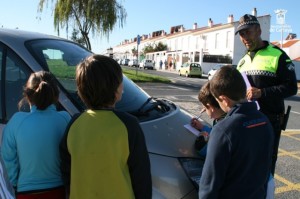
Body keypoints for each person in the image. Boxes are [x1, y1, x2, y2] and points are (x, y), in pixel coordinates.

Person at [60, 54, 152, 199]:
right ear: (115, 89)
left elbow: (66, 172)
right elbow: (142, 178)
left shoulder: (74, 124)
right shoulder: (129, 125)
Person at [235, 14, 298, 175]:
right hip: (245, 120)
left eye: (248, 32)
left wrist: (262, 93)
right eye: (242, 34)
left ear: (259, 30)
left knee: (265, 166)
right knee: (247, 164)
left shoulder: (278, 55)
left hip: (269, 121)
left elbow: (291, 88)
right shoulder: (242, 61)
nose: (245, 37)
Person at [198, 66, 274, 199]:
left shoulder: (223, 130)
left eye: (217, 100)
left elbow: (209, 185)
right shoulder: (264, 120)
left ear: (224, 99)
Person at [1, 71, 71, 199]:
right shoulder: (65, 119)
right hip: (59, 191)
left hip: (26, 193)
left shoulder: (16, 121)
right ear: (56, 94)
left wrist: (16, 184)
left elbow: (8, 161)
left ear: (27, 94)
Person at [190, 81, 226, 157]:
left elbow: (212, 151)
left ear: (210, 107)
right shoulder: (222, 117)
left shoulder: (223, 126)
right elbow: (213, 131)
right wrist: (202, 127)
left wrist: (201, 144)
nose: (204, 110)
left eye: (205, 108)